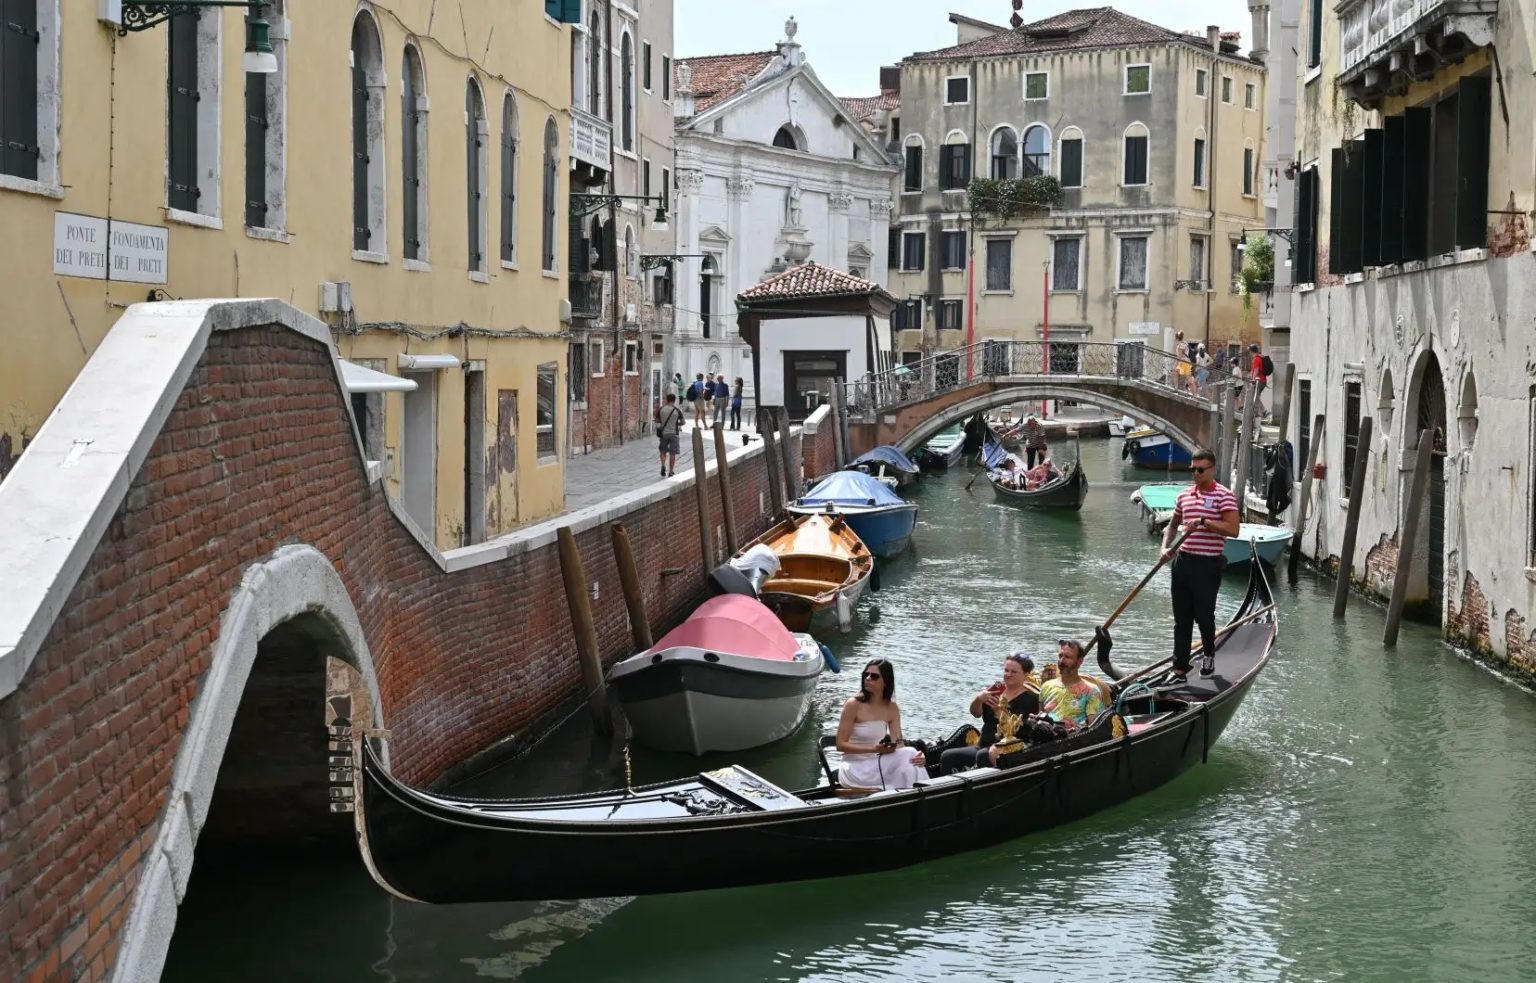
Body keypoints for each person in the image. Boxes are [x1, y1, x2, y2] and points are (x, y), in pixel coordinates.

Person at [1160, 448, 1240, 681]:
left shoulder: (1224, 496)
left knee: (1204, 616)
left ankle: (1208, 654)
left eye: (1200, 469)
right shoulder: (1184, 496)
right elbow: (1173, 525)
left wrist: (1205, 522)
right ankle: (1180, 667)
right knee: (1181, 617)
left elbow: (1233, 529)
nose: (1195, 473)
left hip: (1208, 565)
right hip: (1182, 561)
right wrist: (1165, 548)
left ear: (1212, 470)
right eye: (1193, 469)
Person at [940, 654, 1040, 775]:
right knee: (948, 756)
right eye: (1006, 670)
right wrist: (978, 699)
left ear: (1025, 675)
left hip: (1007, 748)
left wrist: (998, 710)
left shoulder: (1029, 699)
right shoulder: (995, 691)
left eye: (1013, 672)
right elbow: (975, 713)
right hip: (982, 744)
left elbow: (1017, 730)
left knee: (983, 756)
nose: (1008, 674)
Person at [835, 659, 925, 790]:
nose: (868, 678)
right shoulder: (853, 704)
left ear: (885, 682)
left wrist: (918, 757)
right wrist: (875, 749)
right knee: (909, 754)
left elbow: (899, 744)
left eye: (874, 676)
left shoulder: (892, 708)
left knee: (911, 755)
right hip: (854, 769)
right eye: (866, 675)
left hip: (876, 765)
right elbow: (840, 745)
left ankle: (916, 796)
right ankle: (922, 795)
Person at [655, 393, 684, 477]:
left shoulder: (661, 409)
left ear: (667, 400)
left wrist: (663, 422)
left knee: (663, 451)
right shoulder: (677, 410)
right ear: (674, 401)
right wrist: (676, 423)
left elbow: (656, 420)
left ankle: (663, 465)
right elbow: (683, 422)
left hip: (664, 434)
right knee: (672, 453)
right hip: (674, 434)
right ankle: (671, 471)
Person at [1248, 343, 1270, 417]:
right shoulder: (1259, 357)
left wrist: (1253, 381)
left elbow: (1256, 371)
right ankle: (1261, 412)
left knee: (1255, 396)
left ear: (1251, 351)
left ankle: (1262, 412)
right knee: (1256, 396)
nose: (1249, 353)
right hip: (1262, 380)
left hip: (1259, 381)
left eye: (1249, 351)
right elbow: (1254, 370)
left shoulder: (1256, 359)